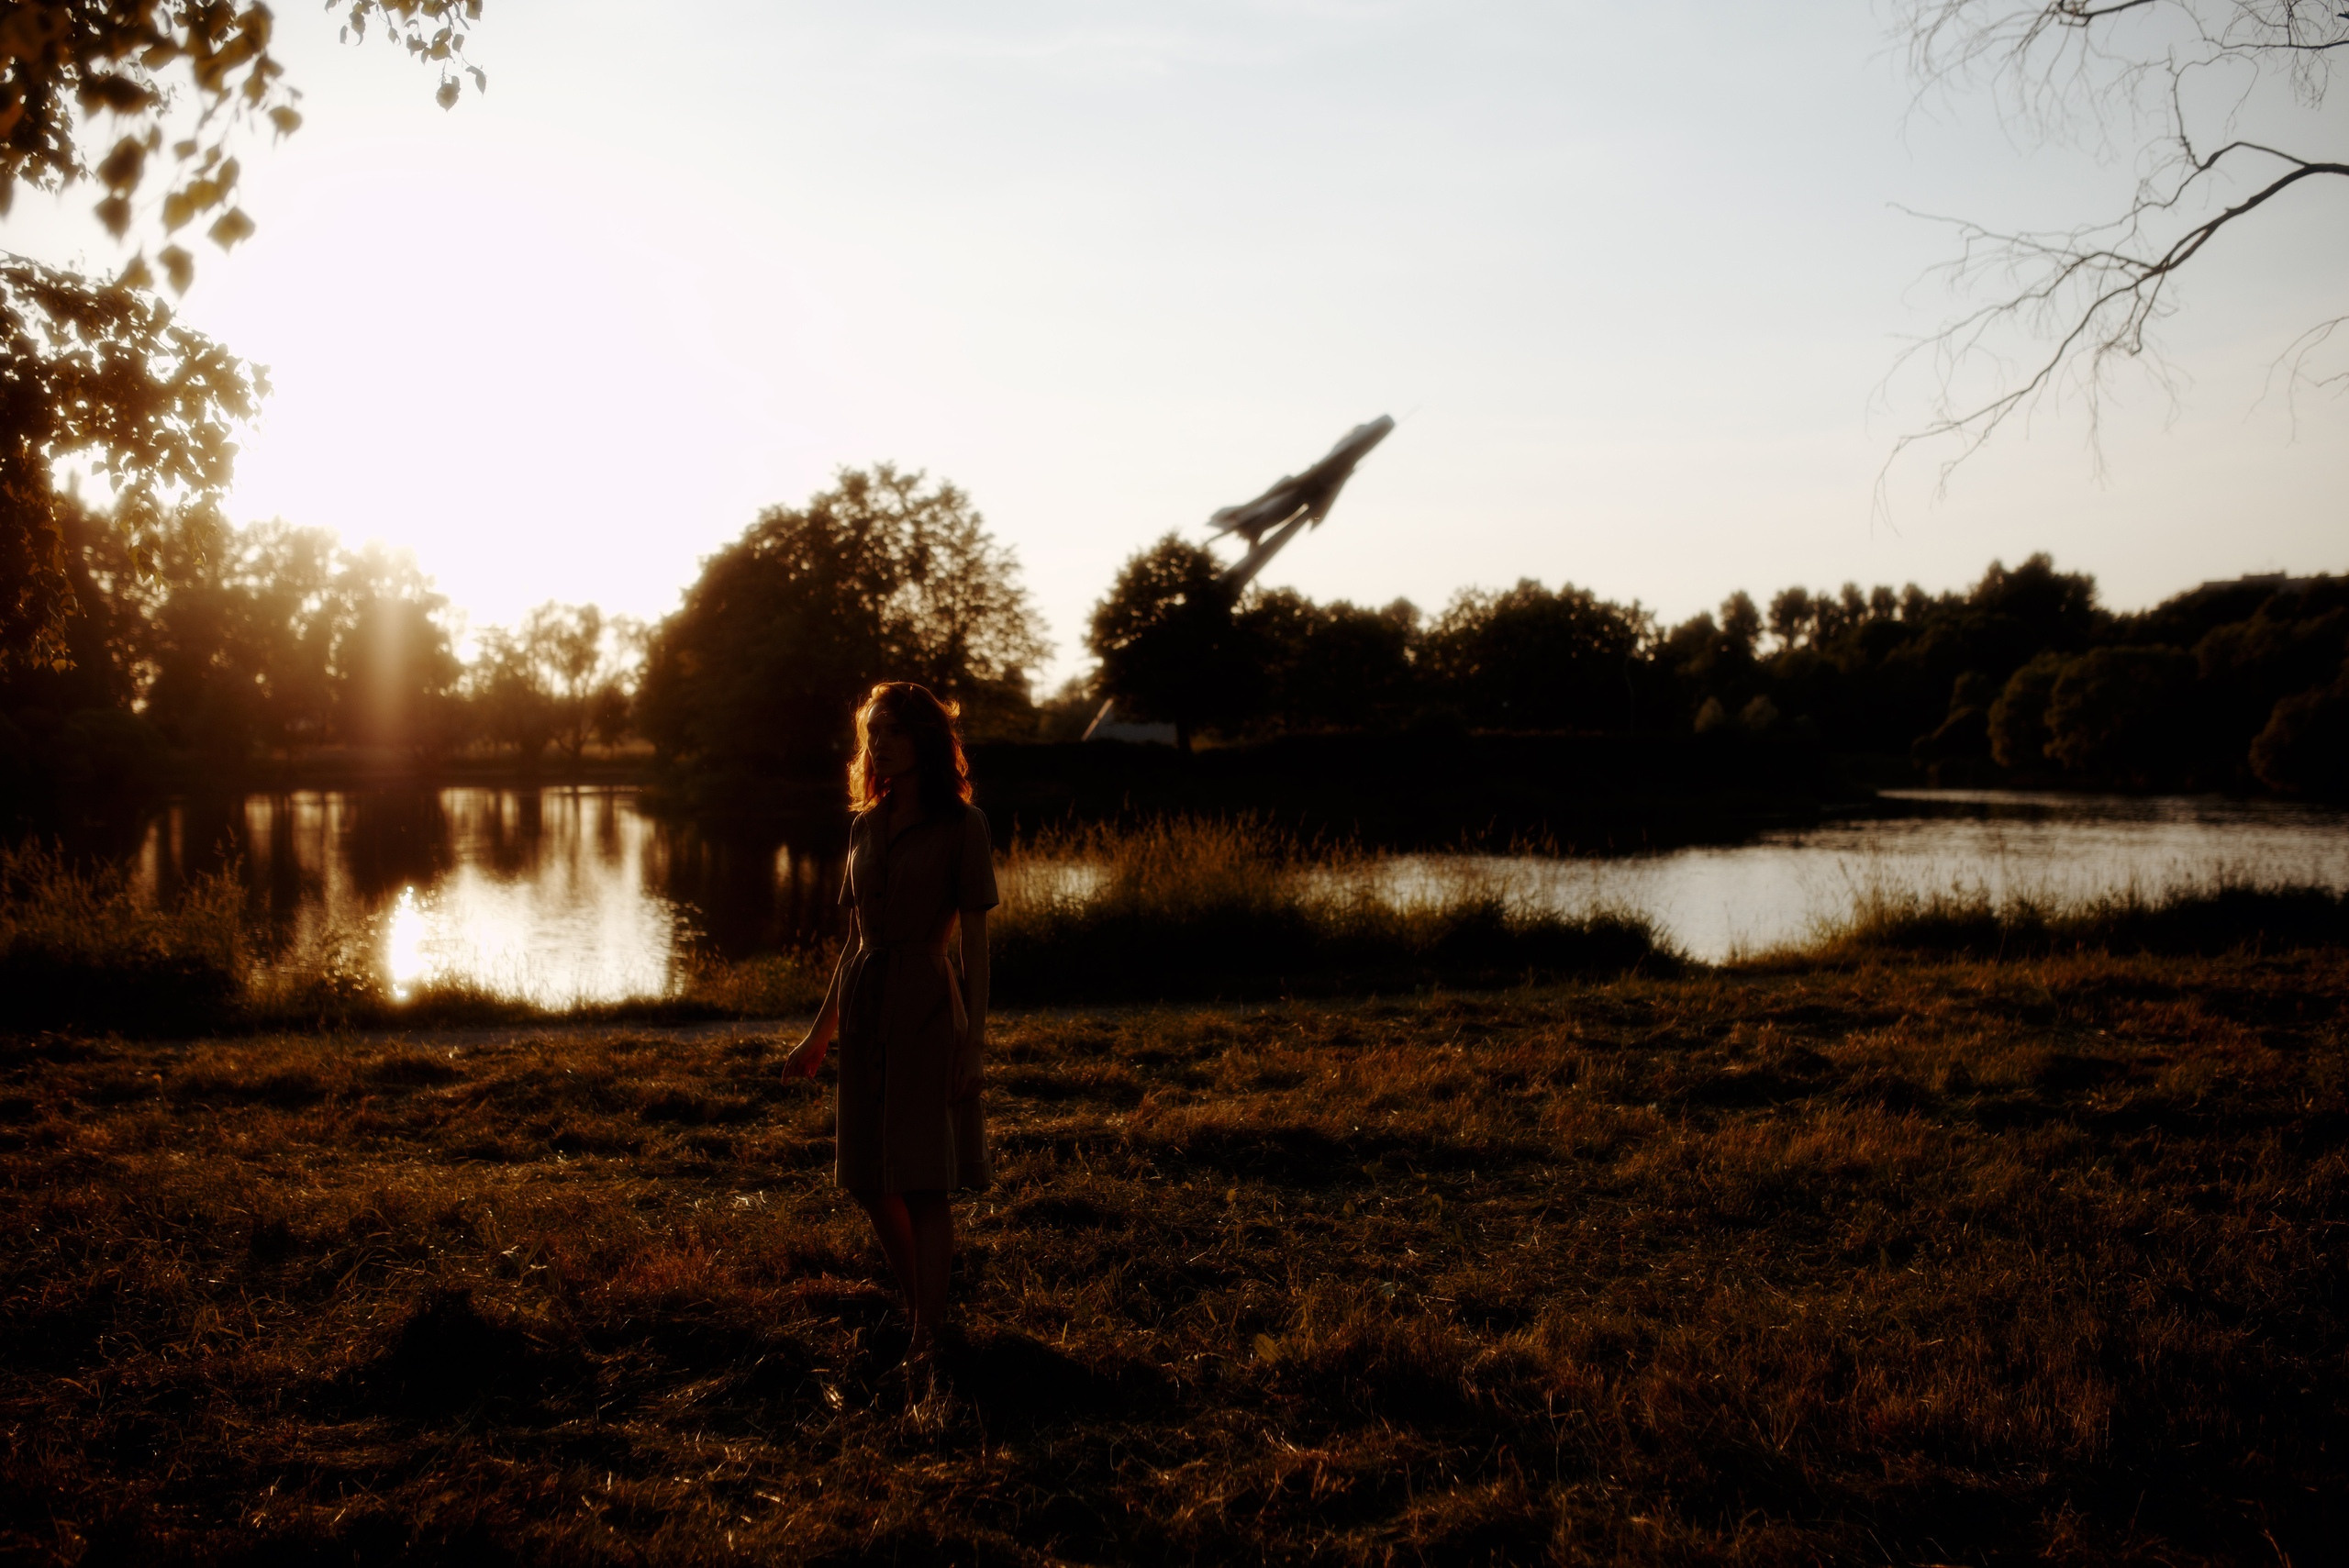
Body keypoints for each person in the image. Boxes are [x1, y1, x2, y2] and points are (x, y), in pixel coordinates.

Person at [784, 682, 996, 1357]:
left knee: (924, 1180)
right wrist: (819, 1033)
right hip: (868, 1002)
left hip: (928, 1006)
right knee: (869, 1181)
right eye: (872, 733)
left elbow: (976, 945)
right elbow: (854, 943)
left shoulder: (964, 825)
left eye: (893, 732)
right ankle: (922, 1312)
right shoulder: (865, 825)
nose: (879, 744)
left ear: (926, 740)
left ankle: (926, 1333)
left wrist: (974, 1044)